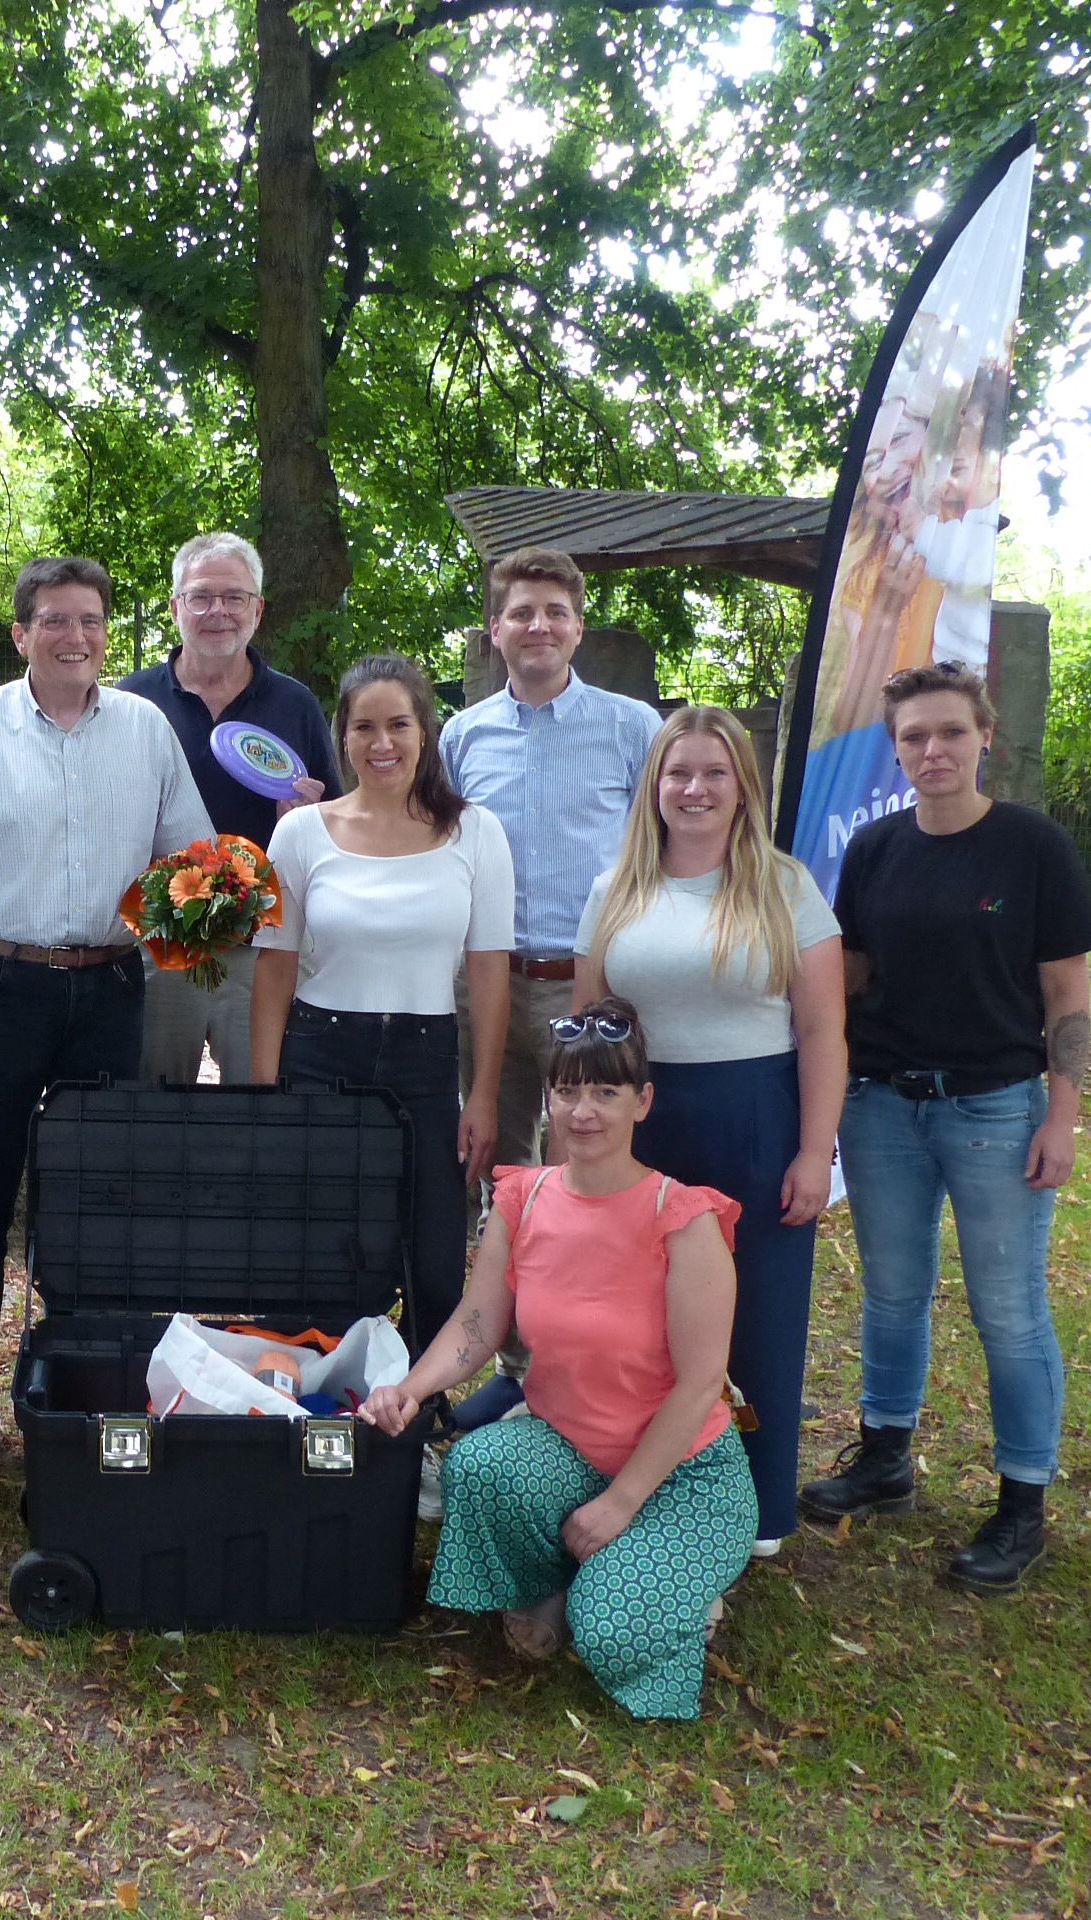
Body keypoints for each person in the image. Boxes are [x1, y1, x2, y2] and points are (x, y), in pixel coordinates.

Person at [0, 558, 214, 1494]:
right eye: (54, 620)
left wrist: (214, 916)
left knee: (97, 1200)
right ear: (21, 632)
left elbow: (190, 864)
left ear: (107, 632)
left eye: (91, 620)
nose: (75, 637)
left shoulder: (148, 729)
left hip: (111, 988)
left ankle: (87, 1395)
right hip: (1, 985)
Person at [801, 662, 1091, 1593]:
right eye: (914, 737)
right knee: (893, 1295)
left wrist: (1062, 1116)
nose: (932, 750)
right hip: (882, 1107)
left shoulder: (1032, 846)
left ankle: (1022, 1503)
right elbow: (848, 979)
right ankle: (884, 1458)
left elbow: (1067, 996)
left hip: (996, 1110)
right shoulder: (874, 850)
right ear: (895, 752)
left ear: (984, 741)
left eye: (949, 733)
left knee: (1007, 1312)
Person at [362, 1000, 755, 1722]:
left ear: (643, 1101)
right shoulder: (525, 1198)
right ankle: (564, 1578)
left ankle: (660, 1587)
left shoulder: (684, 1219)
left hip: (681, 1473)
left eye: (606, 1091)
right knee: (478, 1467)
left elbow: (702, 1383)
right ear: (547, 1097)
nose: (584, 1111)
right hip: (567, 1446)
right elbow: (478, 1324)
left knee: (612, 1630)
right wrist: (410, 1389)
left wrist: (622, 1502)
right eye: (568, 1090)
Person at [575, 705, 845, 1558]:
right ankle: (640, 1485)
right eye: (679, 772)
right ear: (654, 785)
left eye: (714, 773)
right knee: (638, 1316)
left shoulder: (786, 886)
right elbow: (588, 1031)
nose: (695, 789)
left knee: (757, 1315)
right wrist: (577, 1148)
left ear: (742, 788)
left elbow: (823, 1029)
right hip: (642, 1126)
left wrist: (815, 1150)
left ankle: (756, 1506)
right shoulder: (614, 889)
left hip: (755, 1119)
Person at [440, 545, 662, 1427]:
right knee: (500, 1174)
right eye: (521, 612)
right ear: (494, 629)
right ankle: (522, 1370)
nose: (538, 626)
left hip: (594, 987)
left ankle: (588, 1372)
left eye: (555, 612)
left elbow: (662, 843)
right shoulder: (461, 736)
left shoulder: (633, 728)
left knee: (591, 1177)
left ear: (578, 627)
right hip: (490, 986)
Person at [249, 654, 511, 1354]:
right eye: (364, 727)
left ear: (425, 732)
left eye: (398, 724)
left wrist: (483, 1096)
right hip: (320, 1056)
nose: (382, 742)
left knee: (433, 1261)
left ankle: (417, 1401)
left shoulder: (476, 832)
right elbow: (274, 969)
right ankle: (319, 1400)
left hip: (427, 1062)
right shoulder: (300, 832)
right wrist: (265, 1093)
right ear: (342, 736)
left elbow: (489, 973)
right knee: (323, 1251)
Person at [116, 532, 337, 1086]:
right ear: (175, 608)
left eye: (235, 597)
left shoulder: (296, 704)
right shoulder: (131, 701)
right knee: (152, 1108)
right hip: (160, 948)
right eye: (201, 596)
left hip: (262, 949)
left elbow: (338, 827)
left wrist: (307, 820)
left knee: (262, 1106)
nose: (218, 611)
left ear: (257, 610)